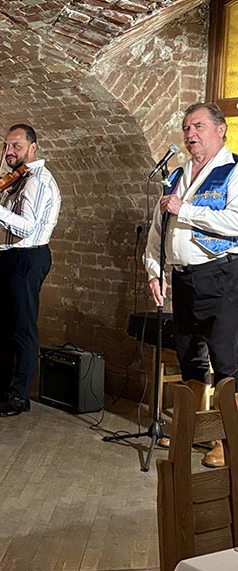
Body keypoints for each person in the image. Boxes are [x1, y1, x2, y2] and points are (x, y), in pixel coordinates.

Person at [144, 102, 238, 468]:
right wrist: (155, 270)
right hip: (182, 280)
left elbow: (234, 222)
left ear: (221, 130)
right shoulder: (177, 174)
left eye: (198, 126)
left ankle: (227, 440)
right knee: (190, 359)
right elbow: (158, 229)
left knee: (227, 362)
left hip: (221, 277)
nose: (189, 134)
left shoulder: (233, 171)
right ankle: (194, 430)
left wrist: (186, 209)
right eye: (185, 127)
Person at [0, 124, 61, 417]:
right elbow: (9, 221)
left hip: (28, 259)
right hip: (8, 259)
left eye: (16, 146)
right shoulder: (18, 180)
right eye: (7, 146)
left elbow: (27, 227)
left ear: (33, 147)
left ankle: (21, 396)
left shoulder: (37, 182)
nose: (9, 152)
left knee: (22, 328)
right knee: (3, 326)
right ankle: (0, 385)